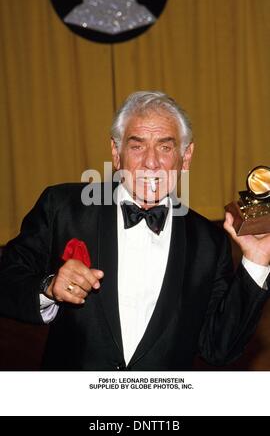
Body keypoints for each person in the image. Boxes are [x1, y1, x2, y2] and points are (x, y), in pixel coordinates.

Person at [0, 91, 269, 371]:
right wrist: (49, 286)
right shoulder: (63, 208)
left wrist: (257, 261)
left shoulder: (209, 242)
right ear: (116, 154)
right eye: (137, 146)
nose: (151, 163)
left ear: (185, 157)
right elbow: (6, 279)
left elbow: (219, 348)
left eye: (165, 147)